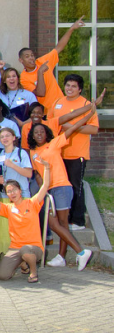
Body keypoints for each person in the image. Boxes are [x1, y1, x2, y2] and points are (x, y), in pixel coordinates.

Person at [28, 105, 97, 270]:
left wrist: (90, 114)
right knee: (57, 224)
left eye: (42, 132)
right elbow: (37, 174)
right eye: (36, 132)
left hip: (62, 187)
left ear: (47, 134)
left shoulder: (54, 143)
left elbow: (73, 128)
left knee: (60, 223)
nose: (39, 134)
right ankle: (63, 257)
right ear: (32, 135)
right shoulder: (32, 152)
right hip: (49, 190)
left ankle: (78, 253)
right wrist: (42, 191)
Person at [48, 75, 101, 231]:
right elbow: (51, 124)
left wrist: (72, 127)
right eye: (67, 85)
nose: (69, 89)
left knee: (76, 186)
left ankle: (78, 220)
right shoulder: (57, 103)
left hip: (77, 154)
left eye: (73, 86)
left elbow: (94, 129)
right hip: (58, 153)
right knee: (60, 187)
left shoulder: (86, 104)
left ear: (80, 89)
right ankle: (63, 219)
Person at [0, 161, 52, 283]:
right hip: (15, 248)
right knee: (2, 275)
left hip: (34, 247)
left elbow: (45, 185)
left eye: (14, 190)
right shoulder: (8, 208)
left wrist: (46, 168)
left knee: (25, 250)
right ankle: (23, 265)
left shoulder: (32, 203)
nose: (12, 193)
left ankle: (33, 272)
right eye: (9, 191)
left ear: (20, 190)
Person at [19, 16, 85, 112]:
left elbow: (59, 48)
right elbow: (41, 93)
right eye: (27, 56)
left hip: (61, 106)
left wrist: (71, 29)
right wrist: (40, 72)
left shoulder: (42, 61)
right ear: (21, 60)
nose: (31, 58)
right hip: (45, 112)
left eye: (32, 55)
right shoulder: (23, 78)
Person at [0, 128, 33, 255]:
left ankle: (25, 256)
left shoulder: (21, 153)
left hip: (22, 197)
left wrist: (13, 166)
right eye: (2, 137)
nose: (5, 138)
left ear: (14, 137)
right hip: (5, 197)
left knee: (21, 228)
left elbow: (29, 173)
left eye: (7, 136)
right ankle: (6, 254)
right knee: (5, 229)